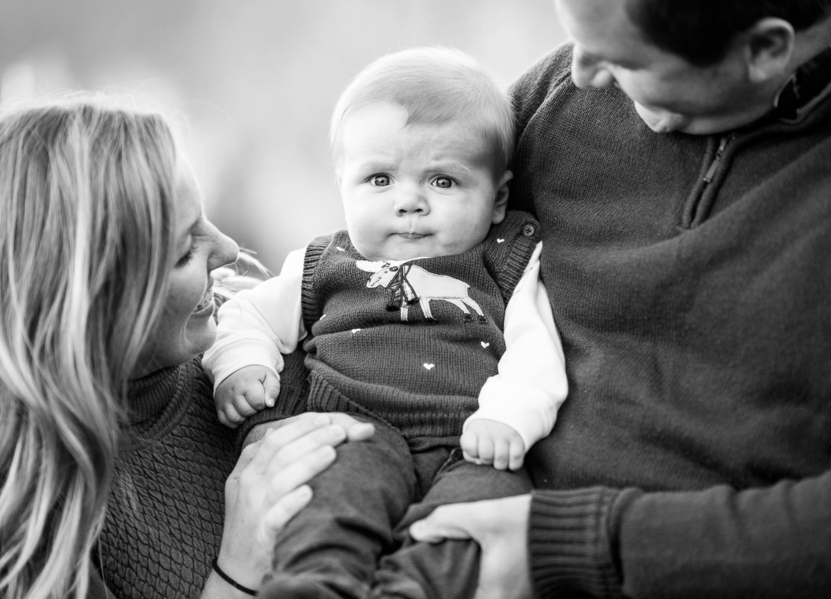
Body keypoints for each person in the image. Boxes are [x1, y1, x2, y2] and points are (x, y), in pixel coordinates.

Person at [410, 0, 831, 597]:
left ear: (765, 50)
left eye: (622, 59)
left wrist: (573, 544)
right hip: (456, 502)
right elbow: (388, 266)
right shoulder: (563, 92)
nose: (582, 74)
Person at [202, 48, 567, 599]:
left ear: (497, 199)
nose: (409, 203)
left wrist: (511, 419)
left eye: (443, 182)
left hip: (471, 442)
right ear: (342, 184)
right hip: (355, 429)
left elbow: (536, 351)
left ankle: (412, 590)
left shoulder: (506, 262)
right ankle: (314, 586)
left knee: (481, 516)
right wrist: (242, 362)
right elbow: (247, 311)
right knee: (329, 505)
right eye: (379, 179)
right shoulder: (323, 264)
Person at [0, 95, 375, 599]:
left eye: (205, 218)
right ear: (90, 302)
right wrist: (240, 566)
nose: (225, 250)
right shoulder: (31, 518)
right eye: (183, 252)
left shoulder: (258, 334)